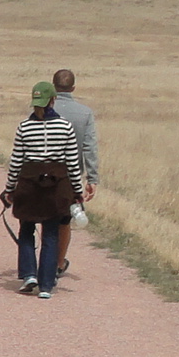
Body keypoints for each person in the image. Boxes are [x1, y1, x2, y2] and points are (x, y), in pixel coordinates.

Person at [3, 80, 81, 299]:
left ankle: (29, 274)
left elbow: (16, 162)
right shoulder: (65, 126)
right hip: (57, 186)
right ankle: (46, 285)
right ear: (53, 100)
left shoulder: (24, 127)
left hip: (28, 183)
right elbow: (72, 163)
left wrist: (10, 188)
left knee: (27, 230)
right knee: (51, 234)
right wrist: (77, 190)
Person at [47, 68, 100, 280]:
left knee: (44, 218)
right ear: (73, 88)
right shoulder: (84, 113)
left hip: (42, 172)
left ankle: (43, 260)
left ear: (53, 87)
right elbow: (90, 147)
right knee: (64, 221)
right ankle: (58, 263)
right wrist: (92, 178)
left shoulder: (42, 109)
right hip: (70, 176)